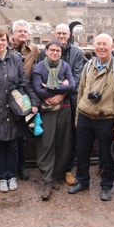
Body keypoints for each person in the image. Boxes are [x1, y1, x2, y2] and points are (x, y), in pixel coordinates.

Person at [67, 33, 114, 201]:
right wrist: (77, 118)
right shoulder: (88, 66)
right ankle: (82, 181)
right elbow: (80, 91)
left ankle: (107, 185)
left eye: (105, 44)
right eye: (98, 44)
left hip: (106, 119)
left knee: (107, 155)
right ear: (94, 46)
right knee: (82, 152)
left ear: (111, 47)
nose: (101, 47)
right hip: (85, 117)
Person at [0, 27, 39, 193]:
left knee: (13, 145)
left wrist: (34, 101)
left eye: (3, 40)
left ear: (8, 42)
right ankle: (1, 177)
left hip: (14, 109)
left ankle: (11, 175)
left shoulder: (15, 59)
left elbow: (24, 82)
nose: (0, 43)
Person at [39, 23, 84, 185]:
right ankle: (49, 171)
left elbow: (77, 77)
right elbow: (40, 76)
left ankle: (67, 169)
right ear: (54, 34)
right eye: (59, 33)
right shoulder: (45, 51)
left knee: (69, 137)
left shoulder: (77, 53)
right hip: (48, 101)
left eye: (65, 33)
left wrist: (61, 94)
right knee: (49, 137)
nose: (61, 36)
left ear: (69, 34)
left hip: (69, 101)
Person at [32, 40, 75, 200]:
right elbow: (38, 90)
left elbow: (72, 86)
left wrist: (54, 89)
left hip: (64, 109)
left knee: (63, 143)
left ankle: (56, 174)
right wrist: (60, 87)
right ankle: (46, 179)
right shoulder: (39, 68)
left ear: (61, 53)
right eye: (52, 50)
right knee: (47, 143)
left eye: (58, 51)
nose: (55, 53)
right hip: (47, 110)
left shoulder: (65, 66)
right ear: (46, 51)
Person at [9, 19, 40, 181]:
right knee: (8, 135)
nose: (22, 34)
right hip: (7, 97)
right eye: (19, 31)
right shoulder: (5, 48)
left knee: (22, 136)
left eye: (25, 32)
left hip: (25, 98)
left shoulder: (34, 49)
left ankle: (22, 167)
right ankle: (10, 168)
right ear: (13, 33)